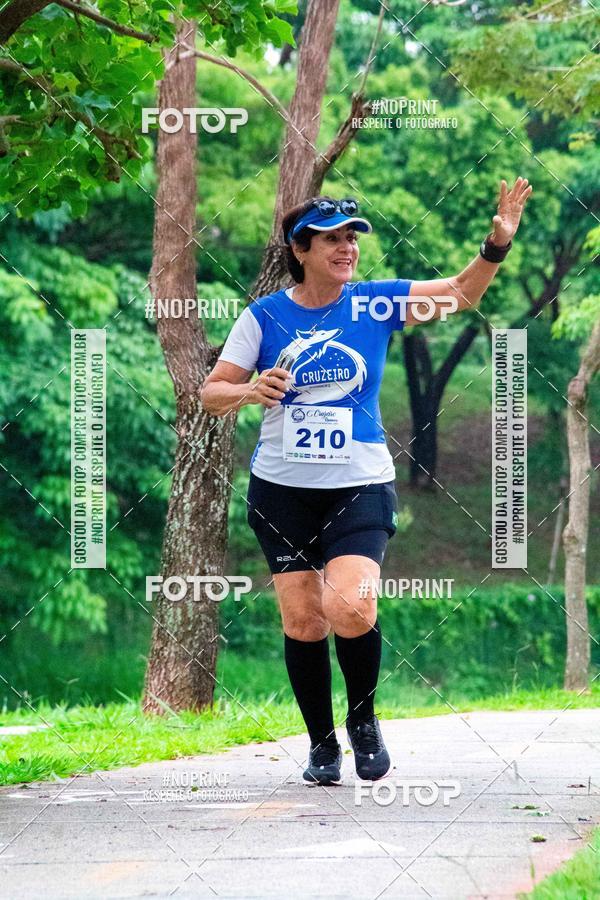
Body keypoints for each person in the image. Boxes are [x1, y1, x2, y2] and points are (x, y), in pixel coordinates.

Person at [200, 180, 532, 785]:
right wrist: (249, 389)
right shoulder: (263, 316)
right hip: (281, 491)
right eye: (332, 238)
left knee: (349, 605)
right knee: (303, 620)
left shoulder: (375, 304)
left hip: (359, 483)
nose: (347, 247)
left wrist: (495, 245)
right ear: (301, 249)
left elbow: (459, 295)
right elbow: (211, 392)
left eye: (352, 238)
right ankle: (322, 745)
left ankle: (364, 721)